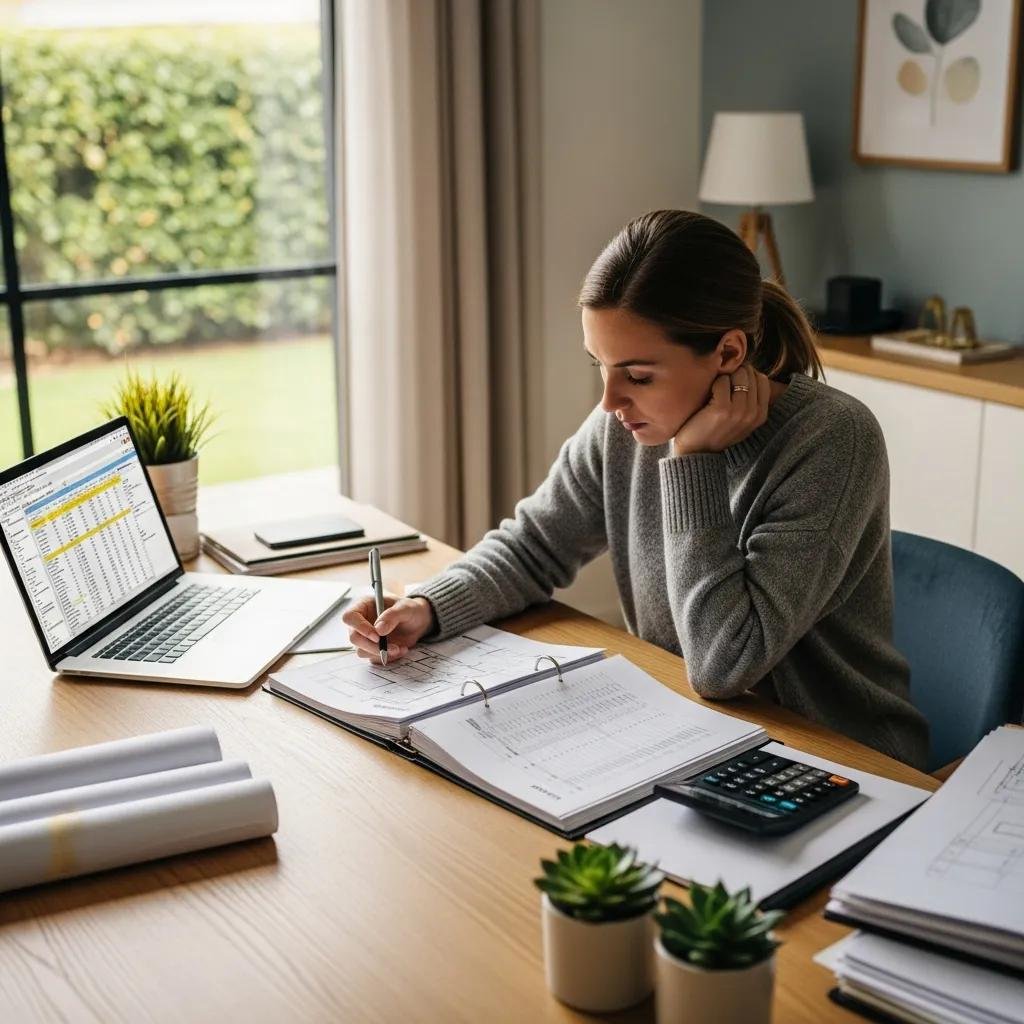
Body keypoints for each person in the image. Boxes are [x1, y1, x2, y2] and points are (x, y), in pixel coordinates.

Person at [343, 210, 929, 769]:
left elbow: (726, 663)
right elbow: (533, 545)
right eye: (600, 365)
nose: (609, 401)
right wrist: (427, 607)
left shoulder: (832, 440)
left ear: (729, 352)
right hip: (694, 729)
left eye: (639, 375)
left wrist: (693, 460)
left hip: (836, 754)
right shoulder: (625, 423)